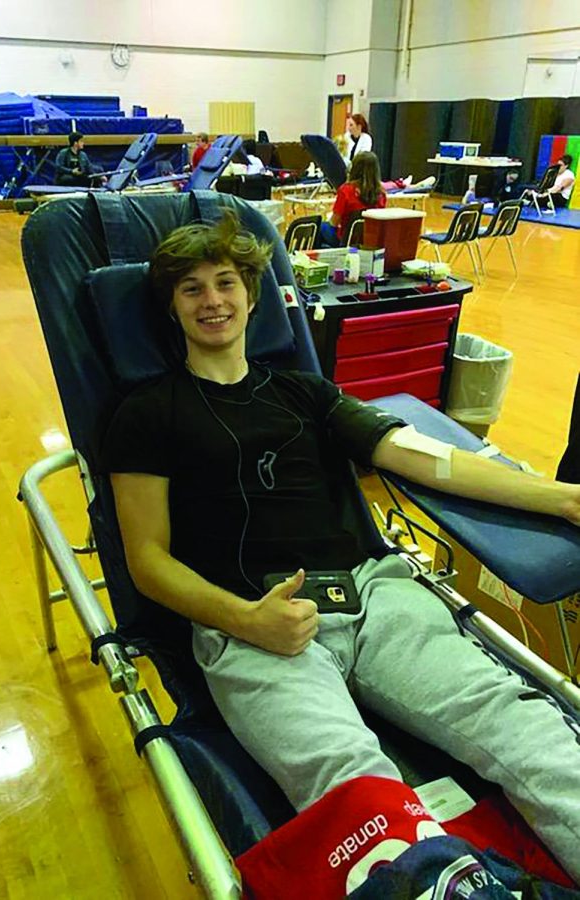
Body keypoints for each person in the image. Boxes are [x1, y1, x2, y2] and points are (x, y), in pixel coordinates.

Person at [101, 211, 580, 883]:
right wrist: (245, 620)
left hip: (372, 592)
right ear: (170, 307)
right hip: (252, 625)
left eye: (226, 282)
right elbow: (147, 561)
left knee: (517, 723)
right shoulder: (145, 414)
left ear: (251, 293)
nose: (212, 300)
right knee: (351, 786)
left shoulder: (303, 391)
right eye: (191, 289)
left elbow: (420, 456)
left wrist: (562, 498)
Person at [320, 150, 387, 247]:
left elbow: (334, 223)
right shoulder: (381, 194)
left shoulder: (346, 190)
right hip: (369, 243)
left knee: (321, 227)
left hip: (346, 242)